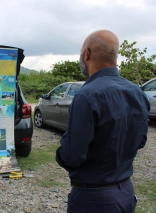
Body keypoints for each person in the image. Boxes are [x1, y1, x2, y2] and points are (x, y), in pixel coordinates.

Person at [56, 30, 150, 213]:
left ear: (87, 53)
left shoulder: (87, 95)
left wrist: (61, 151)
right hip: (126, 193)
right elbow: (140, 141)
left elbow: (72, 156)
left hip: (94, 199)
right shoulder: (138, 93)